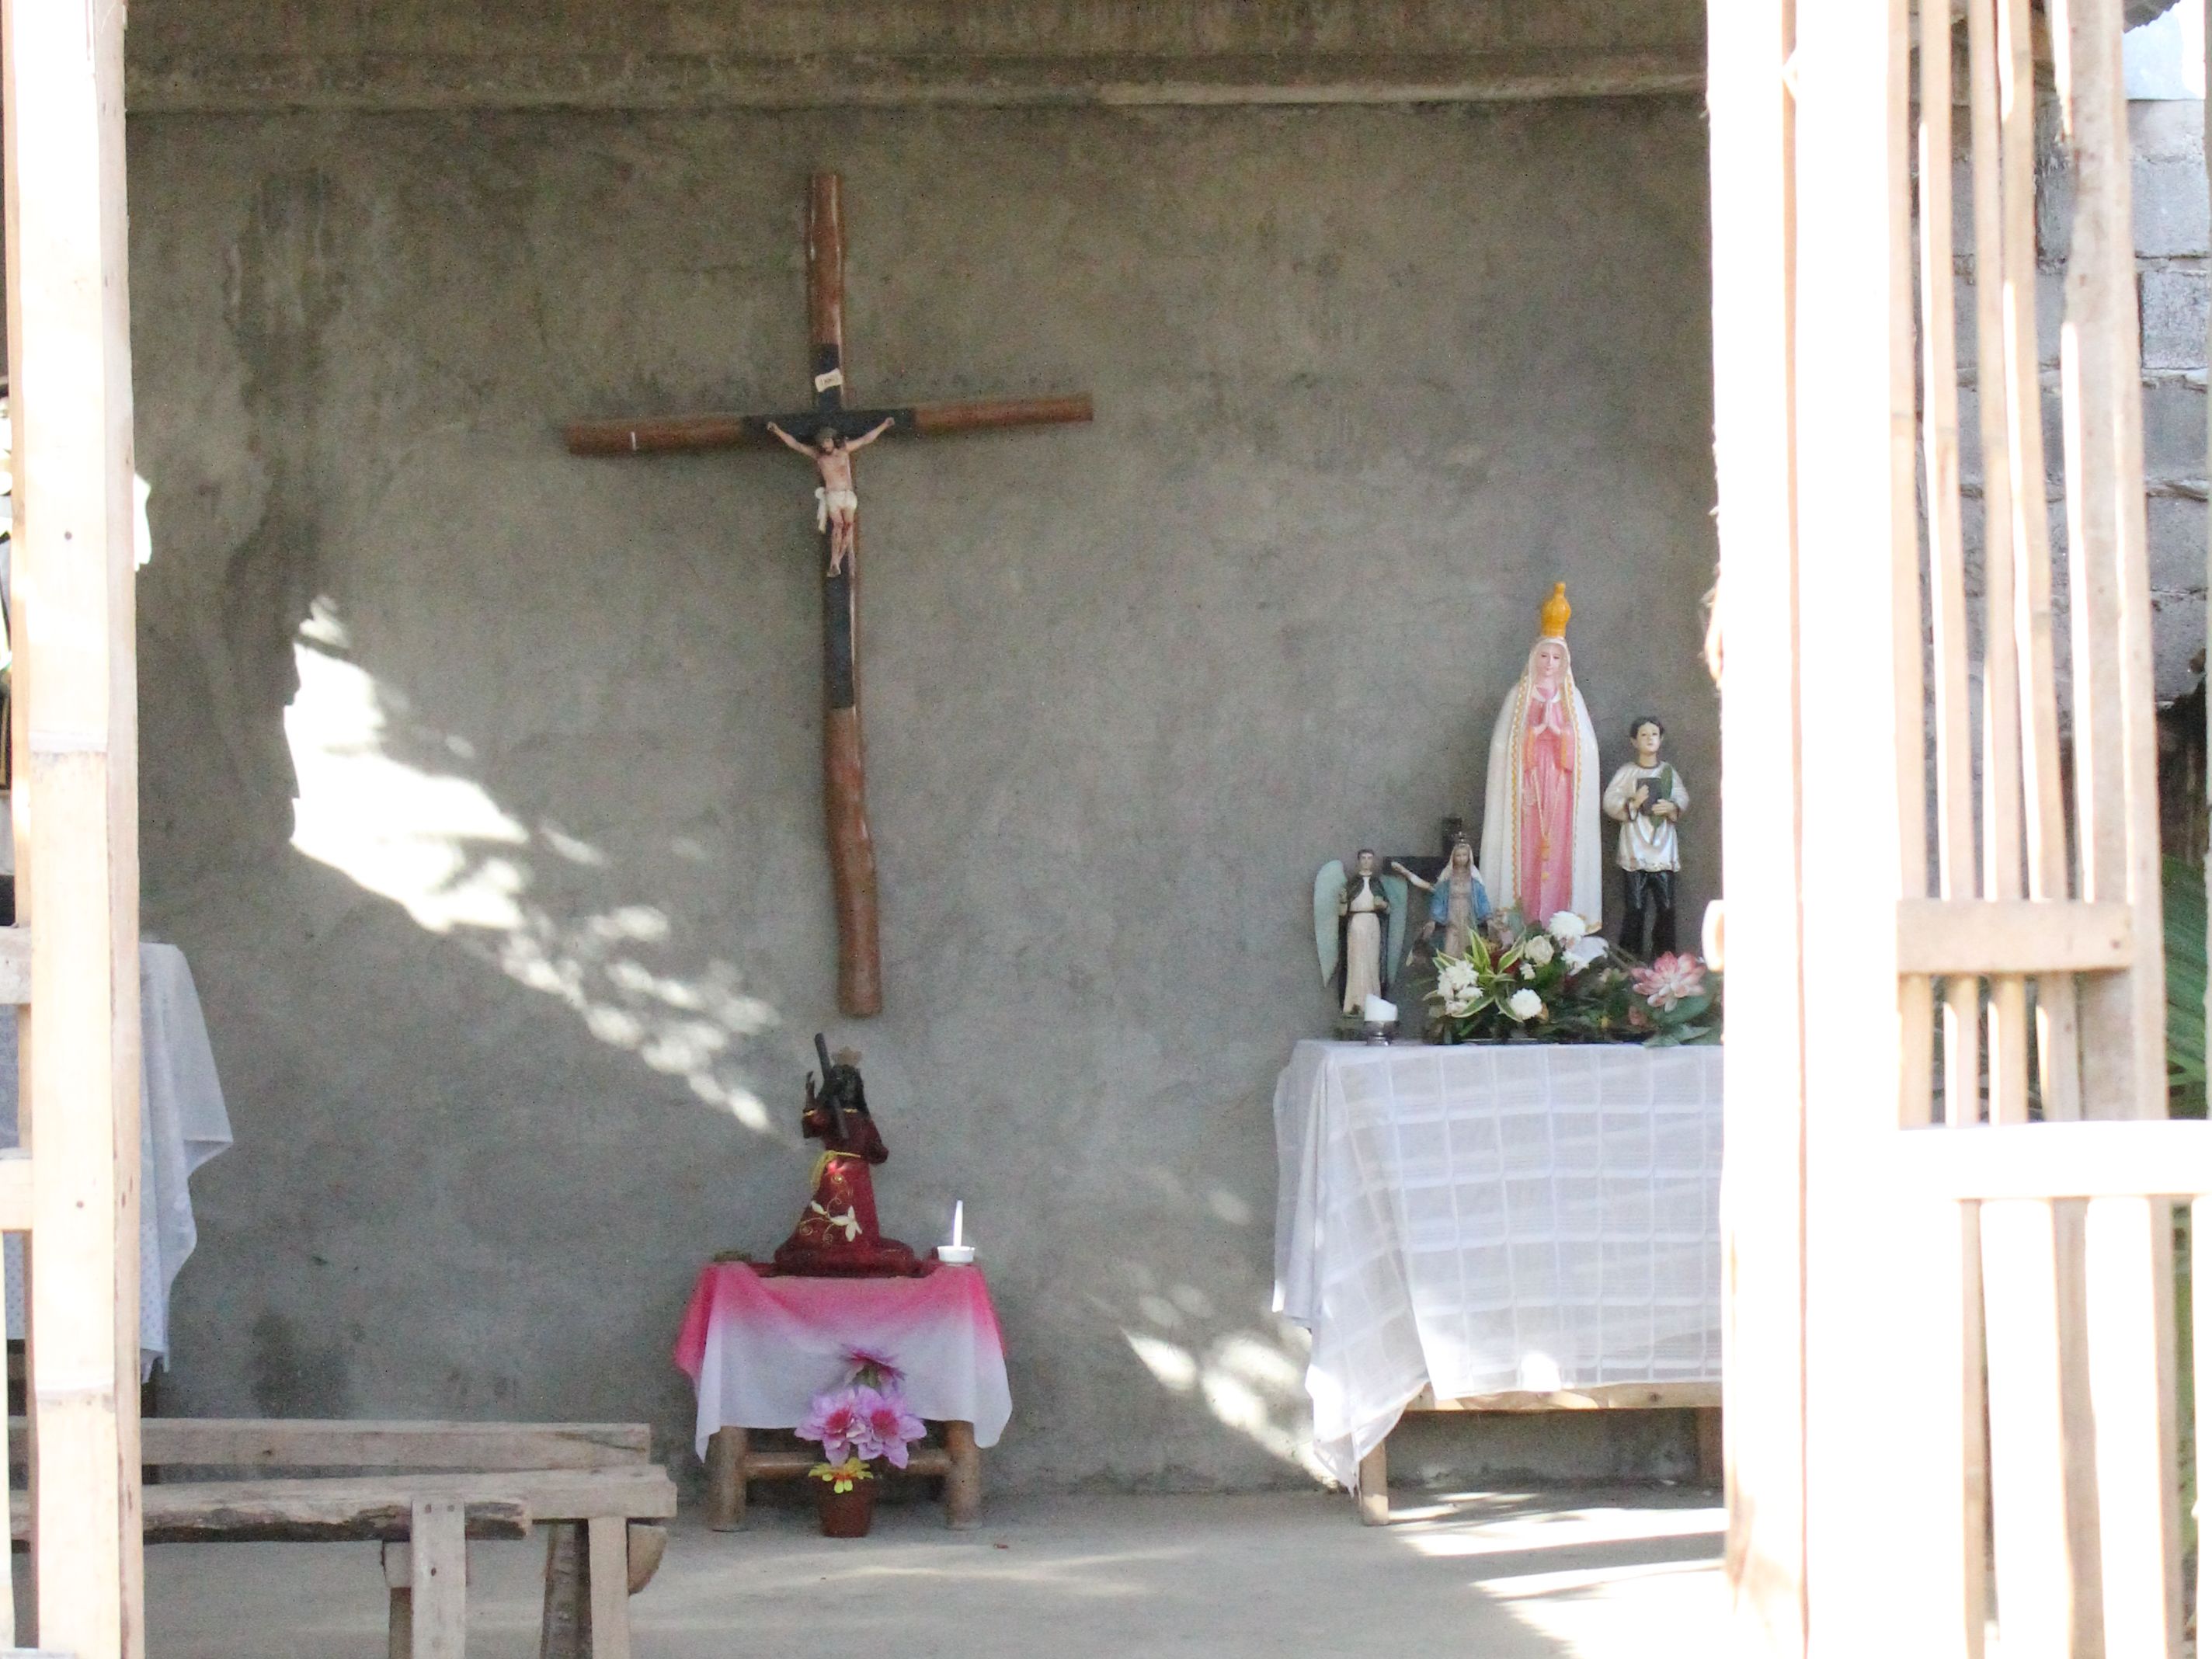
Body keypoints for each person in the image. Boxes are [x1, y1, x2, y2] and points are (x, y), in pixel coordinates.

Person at [1479, 583, 1602, 926]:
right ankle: (1523, 921)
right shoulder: (1519, 696)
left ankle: (1560, 923)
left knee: (1560, 856)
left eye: (1557, 657)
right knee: (1529, 855)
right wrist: (1532, 735)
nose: (1550, 664)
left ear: (1565, 661)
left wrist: (1562, 734)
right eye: (1545, 656)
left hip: (1561, 792)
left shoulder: (1571, 698)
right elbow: (1502, 747)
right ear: (1535, 658)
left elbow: (1587, 750)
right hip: (1528, 791)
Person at [772, 1038, 923, 1277]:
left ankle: (858, 1244)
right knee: (835, 1207)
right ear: (835, 1088)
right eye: (843, 1083)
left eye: (853, 1082)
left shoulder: (864, 1120)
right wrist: (813, 1100)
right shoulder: (832, 1115)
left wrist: (876, 1150)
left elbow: (877, 1150)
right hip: (836, 1169)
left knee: (859, 1214)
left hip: (858, 1173)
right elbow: (814, 1122)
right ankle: (826, 1245)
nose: (849, 1088)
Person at [1602, 716, 1689, 960]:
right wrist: (1634, 802)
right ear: (1634, 740)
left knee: (1667, 906)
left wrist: (1670, 807)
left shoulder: (1667, 772)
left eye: (1654, 734)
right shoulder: (1627, 773)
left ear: (1661, 739)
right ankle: (1629, 960)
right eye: (1644, 735)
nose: (1650, 739)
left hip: (1662, 849)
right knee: (1636, 907)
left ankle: (1664, 960)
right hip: (1636, 849)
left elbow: (1681, 796)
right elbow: (1610, 801)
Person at [766, 417, 896, 575]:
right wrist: (778, 431)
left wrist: (883, 426)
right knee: (838, 526)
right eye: (822, 443)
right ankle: (834, 560)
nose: (825, 445)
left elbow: (865, 440)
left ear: (833, 440)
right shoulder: (819, 456)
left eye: (827, 441)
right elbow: (796, 445)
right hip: (833, 495)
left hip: (848, 494)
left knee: (849, 527)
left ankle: (837, 562)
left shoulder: (844, 450)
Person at [1394, 833, 1490, 961]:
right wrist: (1433, 920)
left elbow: (1482, 897)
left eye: (1464, 855)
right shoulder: (1447, 878)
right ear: (1453, 857)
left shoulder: (1474, 879)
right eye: (1458, 855)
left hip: (1468, 918)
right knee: (1450, 946)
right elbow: (1439, 897)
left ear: (1469, 857)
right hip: (1452, 917)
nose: (1461, 858)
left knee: (1469, 947)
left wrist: (1489, 917)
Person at [1337, 849, 1392, 1015]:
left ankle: (1372, 1001)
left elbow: (1388, 910)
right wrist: (1344, 900)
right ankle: (1354, 1002)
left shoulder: (1377, 884)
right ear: (1359, 861)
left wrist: (1382, 904)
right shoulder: (1352, 884)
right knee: (1356, 961)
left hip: (1372, 924)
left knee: (1372, 963)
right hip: (1356, 924)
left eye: (1369, 858)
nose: (1367, 861)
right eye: (1363, 858)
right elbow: (1342, 912)